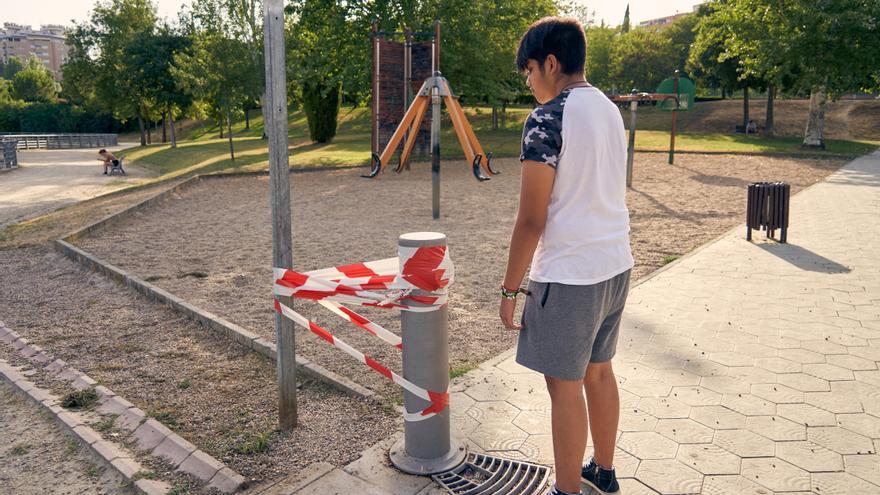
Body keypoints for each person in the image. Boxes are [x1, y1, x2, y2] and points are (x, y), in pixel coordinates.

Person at [499, 17, 633, 495]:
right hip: (615, 262)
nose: (529, 81)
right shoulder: (610, 109)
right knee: (599, 371)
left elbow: (532, 219)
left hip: (571, 273)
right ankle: (605, 471)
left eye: (529, 70)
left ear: (550, 63)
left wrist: (510, 289)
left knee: (564, 384)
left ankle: (566, 490)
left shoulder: (547, 118)